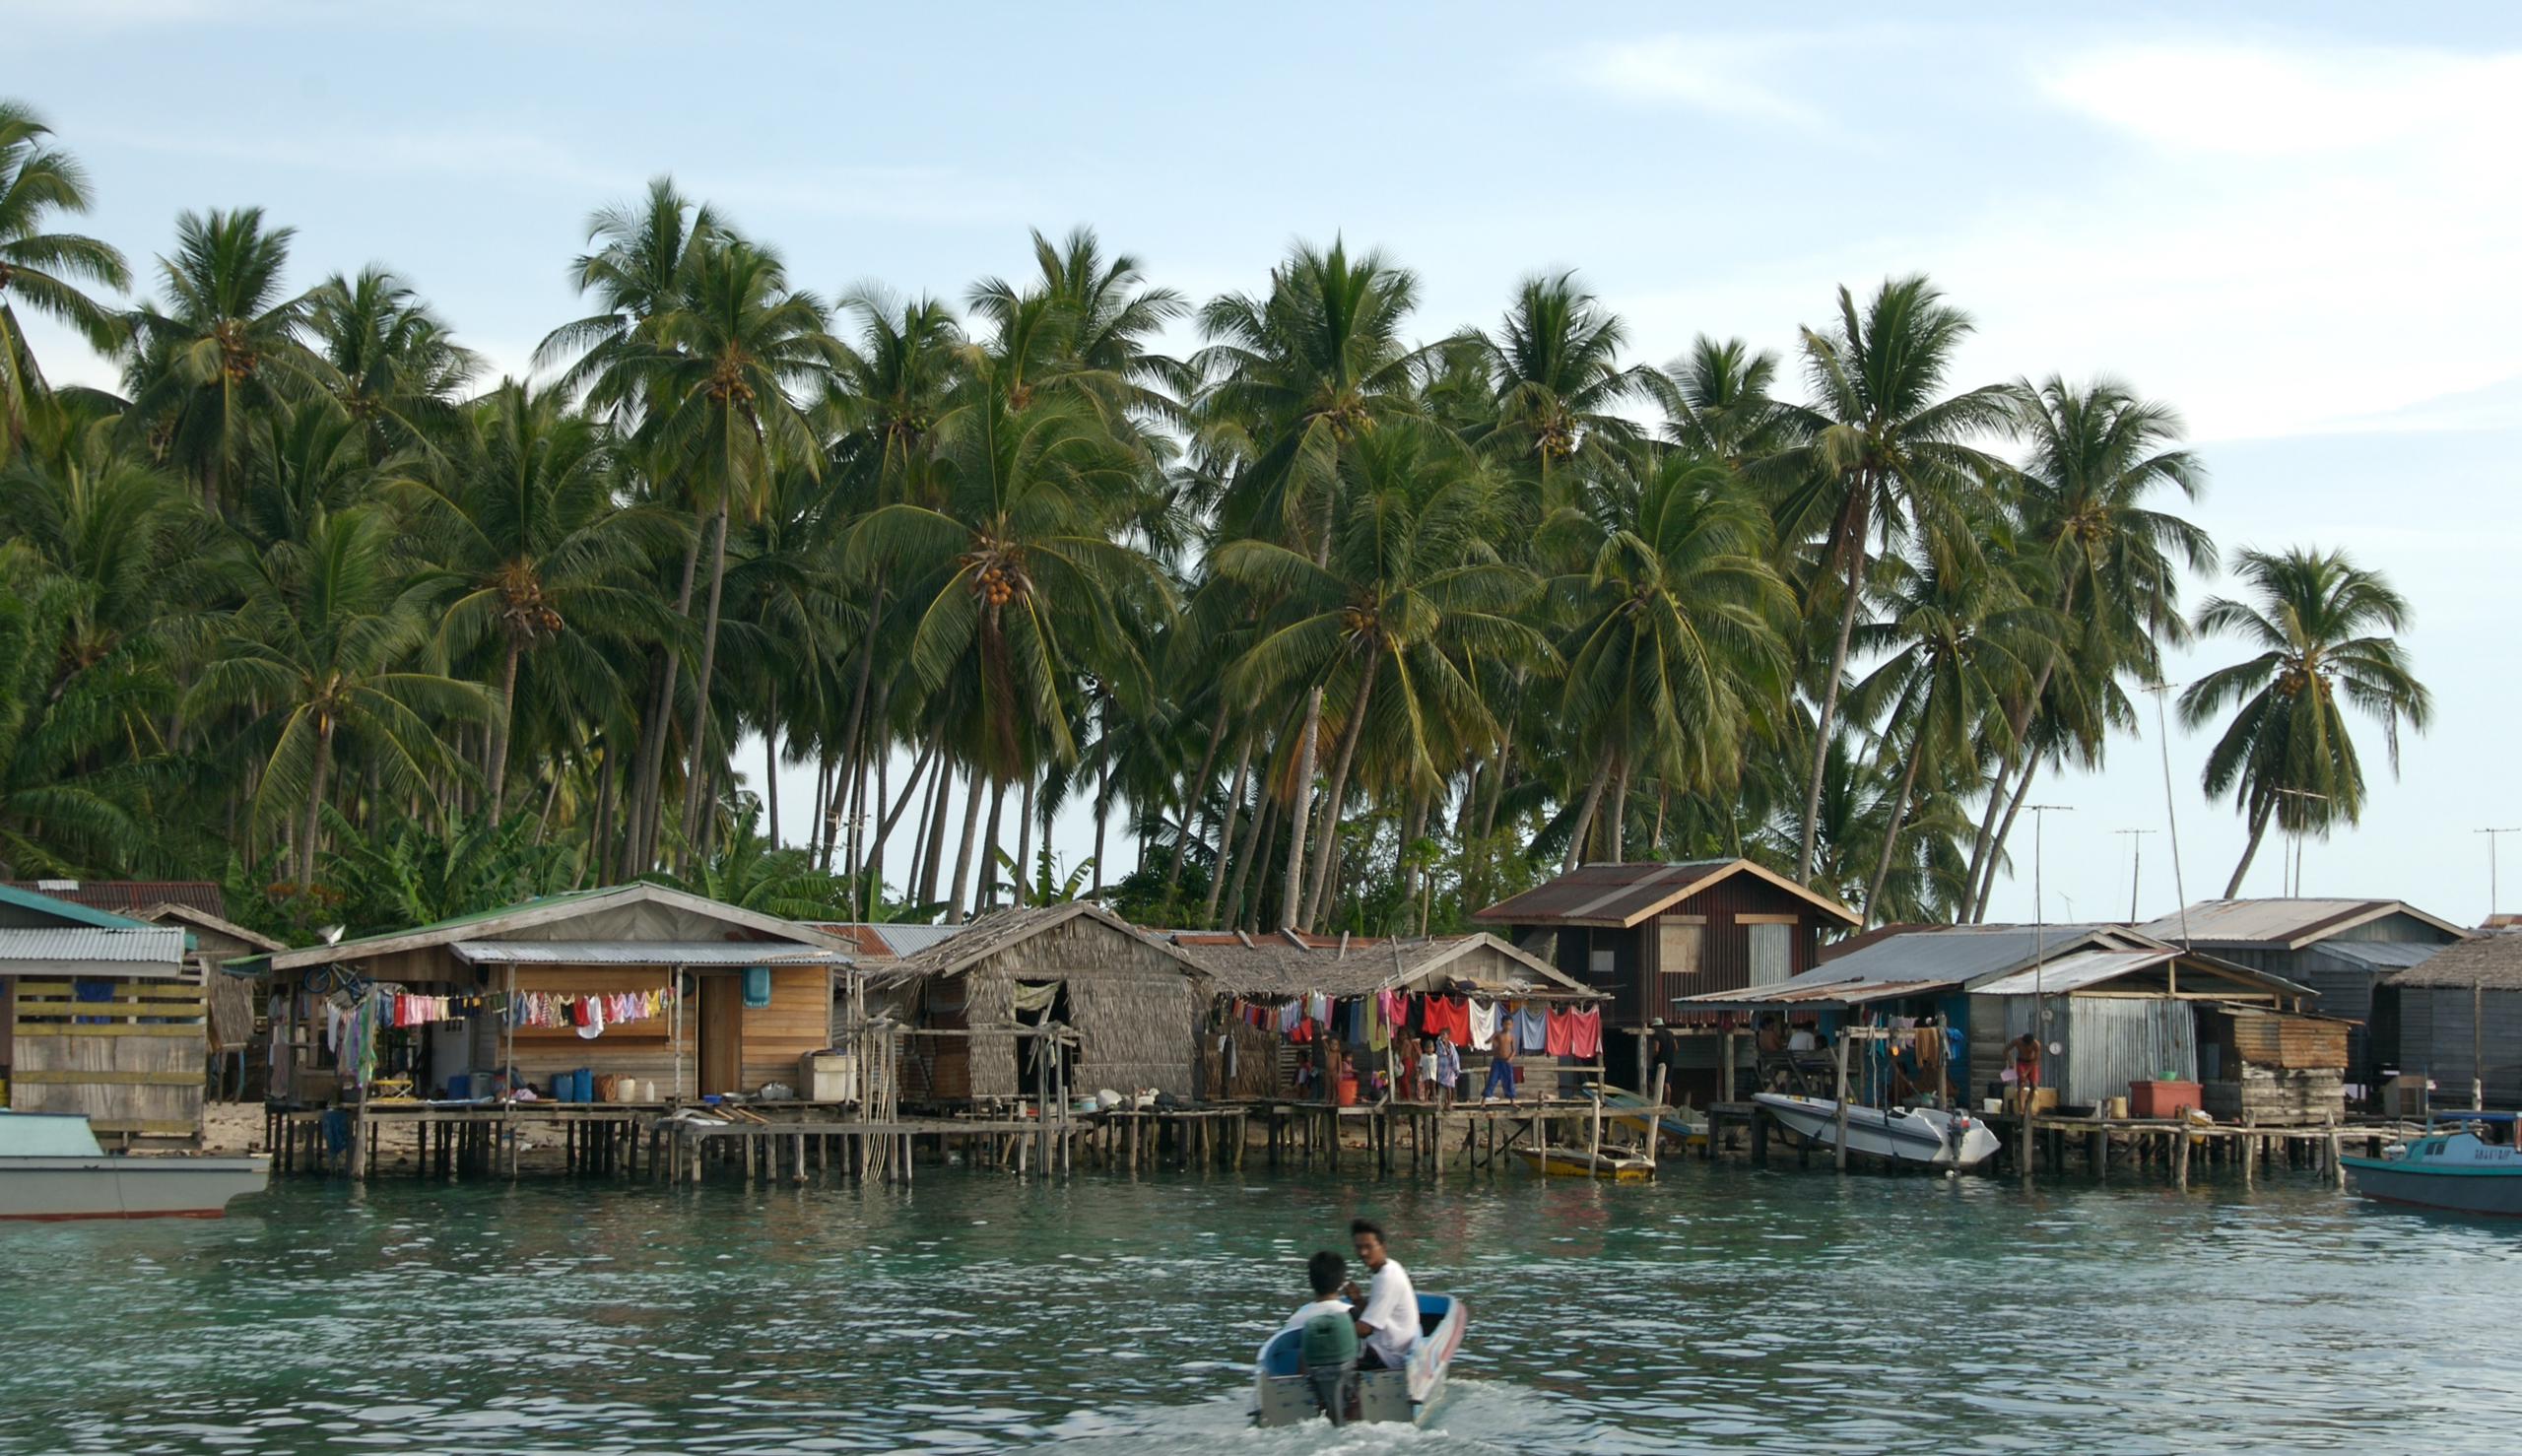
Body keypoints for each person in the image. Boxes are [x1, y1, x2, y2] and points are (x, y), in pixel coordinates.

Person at [1285, 1250, 1358, 1425]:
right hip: (1350, 1393)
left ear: (1311, 1282)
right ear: (1341, 1282)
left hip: (1311, 1397)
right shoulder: (1351, 1314)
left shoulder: (1297, 1318)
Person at [1344, 1218, 1418, 1373]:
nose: (1363, 1253)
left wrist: (1332, 1333)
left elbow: (1365, 1329)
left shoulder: (1386, 1278)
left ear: (1382, 1246)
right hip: (1392, 1344)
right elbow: (1375, 1318)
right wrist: (1357, 1299)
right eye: (1359, 1247)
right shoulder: (1389, 1267)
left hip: (1387, 1356)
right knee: (1350, 1314)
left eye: (1368, 1247)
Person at [1482, 1026, 1516, 1102]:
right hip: (1497, 1062)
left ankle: (1512, 1101)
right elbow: (1488, 1041)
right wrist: (1492, 1040)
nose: (1508, 1026)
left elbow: (1514, 1051)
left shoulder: (1511, 1036)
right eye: (1506, 1024)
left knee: (1509, 1081)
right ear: (1502, 1024)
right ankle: (1483, 1102)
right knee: (1492, 1080)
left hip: (1506, 1062)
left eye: (1510, 1024)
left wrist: (1510, 1058)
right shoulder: (1498, 1034)